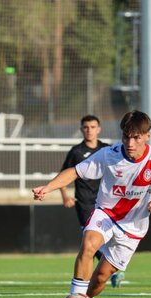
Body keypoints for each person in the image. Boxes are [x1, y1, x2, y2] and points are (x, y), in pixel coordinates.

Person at [32, 110, 151, 298]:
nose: (130, 143)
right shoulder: (109, 154)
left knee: (101, 278)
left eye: (136, 137)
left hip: (133, 227)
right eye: (126, 136)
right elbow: (75, 171)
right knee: (88, 245)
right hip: (106, 214)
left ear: (147, 136)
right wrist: (48, 187)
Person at [60, 115, 124, 288]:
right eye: (86, 127)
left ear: (99, 129)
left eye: (93, 127)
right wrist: (65, 196)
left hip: (106, 202)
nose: (89, 130)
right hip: (85, 203)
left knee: (105, 239)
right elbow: (65, 174)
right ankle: (108, 271)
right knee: (90, 241)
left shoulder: (107, 150)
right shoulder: (76, 152)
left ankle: (112, 267)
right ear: (82, 130)